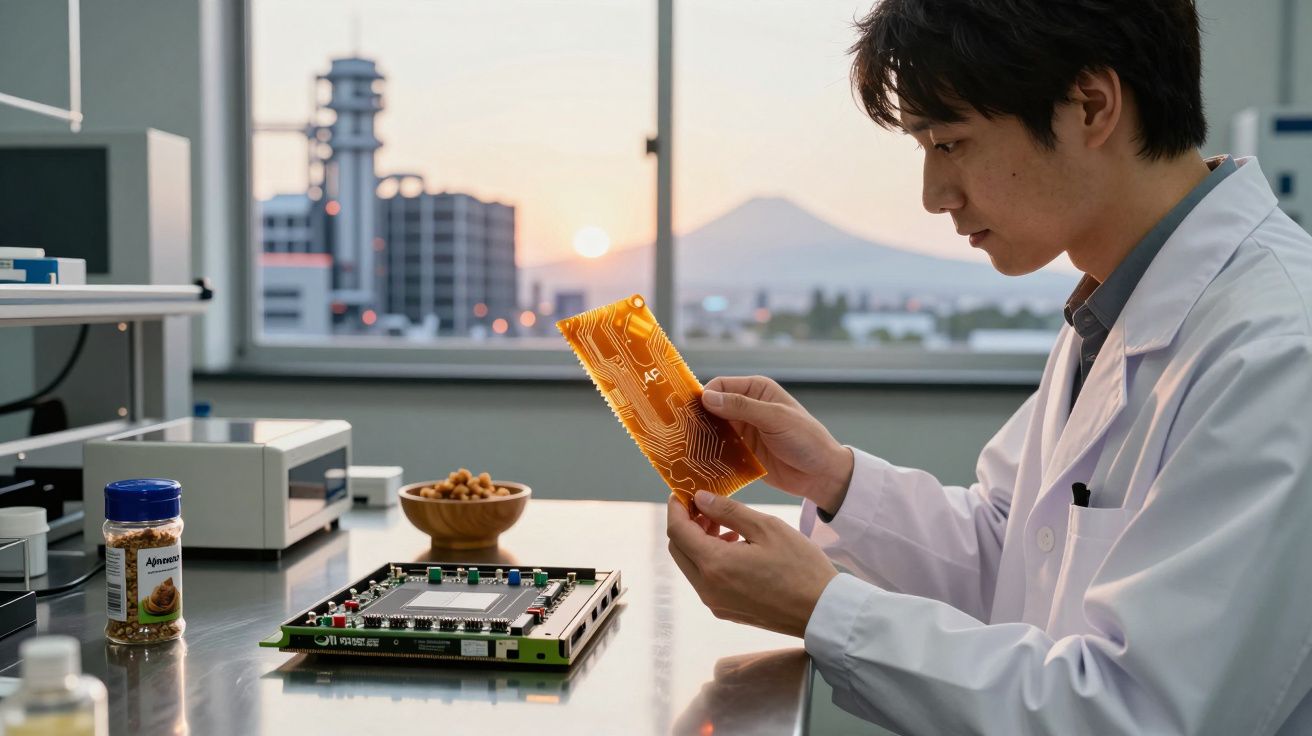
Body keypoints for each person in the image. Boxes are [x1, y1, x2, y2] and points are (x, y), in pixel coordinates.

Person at [664, 0, 1312, 733]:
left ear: (1091, 106)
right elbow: (1014, 554)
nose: (934, 195)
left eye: (950, 142)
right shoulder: (1113, 309)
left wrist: (824, 610)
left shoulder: (1278, 352)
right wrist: (834, 480)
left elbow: (1141, 714)